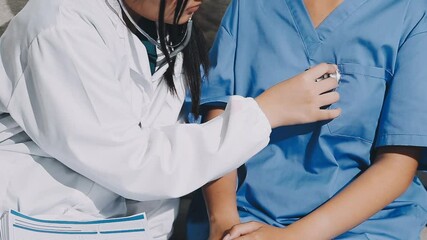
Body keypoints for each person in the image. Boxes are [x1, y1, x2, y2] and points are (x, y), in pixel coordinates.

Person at [0, 0, 341, 239]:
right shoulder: (60, 27)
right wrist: (267, 112)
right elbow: (132, 163)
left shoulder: (169, 30)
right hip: (45, 222)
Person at [187, 0, 427, 239]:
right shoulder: (250, 5)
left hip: (363, 223)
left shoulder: (409, 11)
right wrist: (223, 220)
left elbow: (397, 163)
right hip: (245, 215)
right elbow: (218, 115)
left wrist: (291, 237)